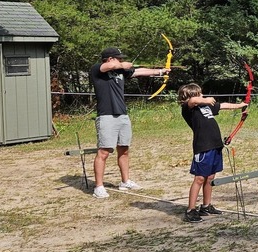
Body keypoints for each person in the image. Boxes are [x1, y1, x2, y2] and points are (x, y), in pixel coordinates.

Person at [88, 46, 169, 199]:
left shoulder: (120, 71)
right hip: (106, 116)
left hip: (122, 115)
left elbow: (139, 71)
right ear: (111, 59)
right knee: (104, 152)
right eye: (119, 58)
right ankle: (98, 187)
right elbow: (110, 66)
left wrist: (160, 72)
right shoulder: (97, 70)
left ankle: (125, 181)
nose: (121, 60)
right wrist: (122, 65)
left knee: (124, 150)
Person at [177, 83, 249, 223]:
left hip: (215, 145)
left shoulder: (204, 106)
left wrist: (241, 105)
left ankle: (206, 206)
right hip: (203, 146)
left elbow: (222, 105)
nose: (202, 96)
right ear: (191, 96)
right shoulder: (189, 109)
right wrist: (205, 99)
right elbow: (192, 101)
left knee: (210, 177)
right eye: (199, 94)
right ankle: (191, 210)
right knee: (199, 178)